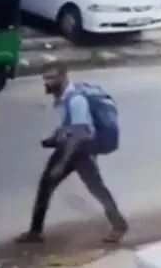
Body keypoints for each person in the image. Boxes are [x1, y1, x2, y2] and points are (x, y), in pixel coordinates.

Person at [15, 63, 128, 244]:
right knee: (49, 186)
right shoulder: (68, 97)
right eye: (45, 78)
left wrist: (62, 163)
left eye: (51, 78)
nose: (46, 83)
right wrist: (55, 138)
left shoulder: (76, 100)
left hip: (78, 151)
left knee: (95, 188)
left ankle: (120, 225)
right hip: (72, 148)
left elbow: (81, 132)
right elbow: (71, 125)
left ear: (62, 77)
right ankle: (35, 232)